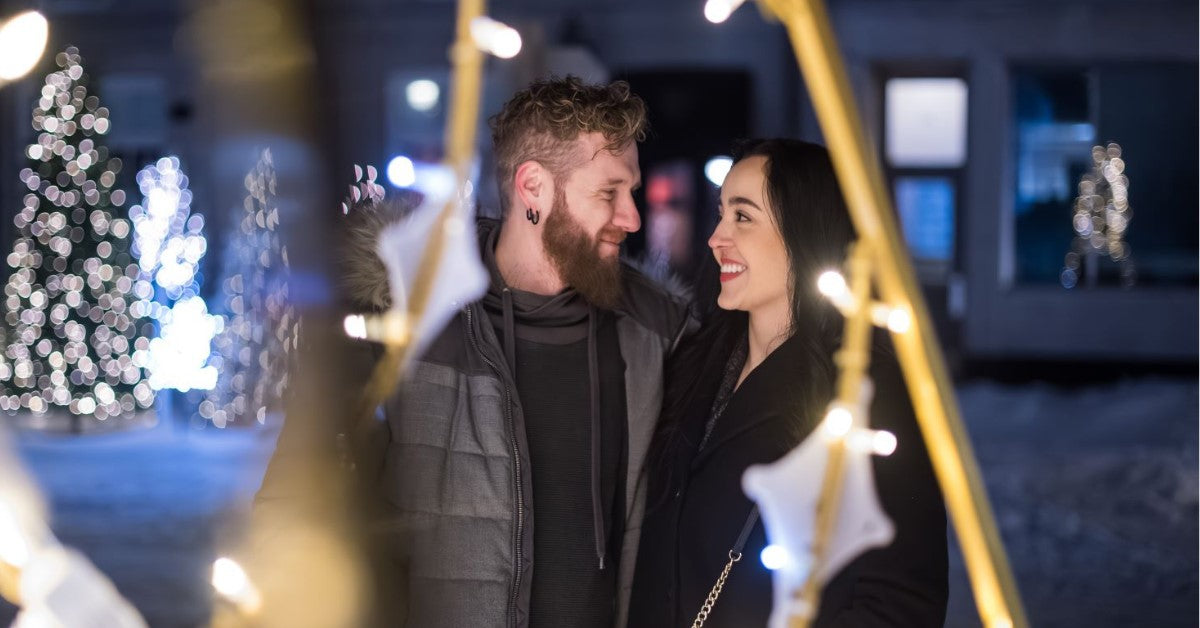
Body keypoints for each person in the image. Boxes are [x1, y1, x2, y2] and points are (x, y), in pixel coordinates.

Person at [258, 76, 692, 628]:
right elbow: (296, 504)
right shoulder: (403, 317)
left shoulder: (656, 331)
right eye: (609, 193)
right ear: (533, 187)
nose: (632, 218)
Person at [627, 139, 948, 627]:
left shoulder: (864, 396)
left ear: (803, 232)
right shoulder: (692, 362)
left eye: (743, 217)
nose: (716, 238)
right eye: (720, 214)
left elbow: (902, 599)